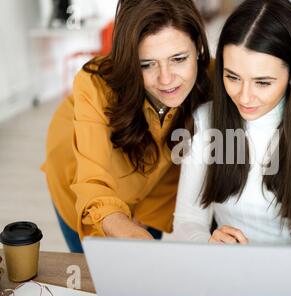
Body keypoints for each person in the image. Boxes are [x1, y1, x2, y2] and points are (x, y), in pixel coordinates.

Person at [172, 0, 291, 296]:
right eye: (232, 77)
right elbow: (187, 222)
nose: (244, 96)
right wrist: (206, 242)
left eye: (262, 82)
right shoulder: (204, 122)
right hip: (224, 276)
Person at [41, 0, 211, 253]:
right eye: (146, 64)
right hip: (84, 189)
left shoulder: (217, 76)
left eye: (178, 58)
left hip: (155, 195)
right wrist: (118, 224)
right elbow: (92, 184)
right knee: (101, 283)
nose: (166, 79)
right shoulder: (94, 85)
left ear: (197, 47)